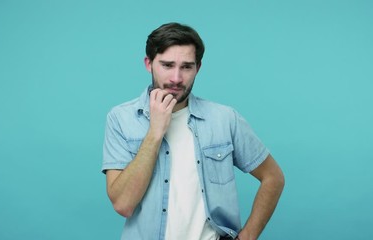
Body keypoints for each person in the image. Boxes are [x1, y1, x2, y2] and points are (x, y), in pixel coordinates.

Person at [102, 22, 285, 240]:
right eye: (167, 65)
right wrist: (155, 132)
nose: (177, 78)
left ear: (198, 68)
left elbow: (273, 177)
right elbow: (123, 204)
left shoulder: (224, 119)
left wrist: (247, 236)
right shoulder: (121, 119)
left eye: (186, 67)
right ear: (149, 64)